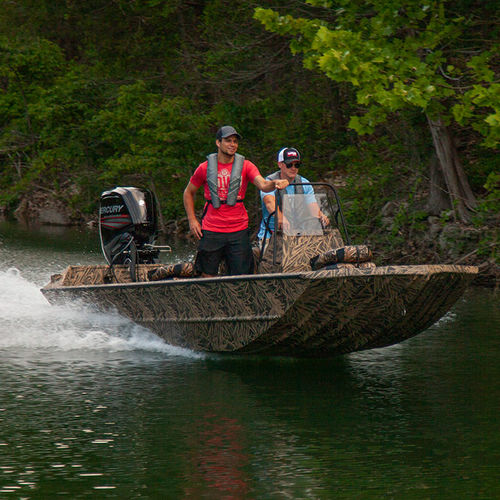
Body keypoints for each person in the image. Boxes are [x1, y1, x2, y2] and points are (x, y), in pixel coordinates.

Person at [183, 126, 289, 277]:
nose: (232, 144)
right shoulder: (204, 168)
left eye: (235, 141)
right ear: (218, 143)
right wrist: (192, 219)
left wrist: (275, 183)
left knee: (241, 276)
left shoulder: (246, 166)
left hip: (238, 229)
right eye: (228, 141)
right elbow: (188, 192)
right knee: (207, 275)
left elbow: (263, 185)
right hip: (212, 228)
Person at [257, 147, 329, 240]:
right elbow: (269, 202)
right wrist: (281, 218)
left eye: (297, 165)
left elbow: (313, 207)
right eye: (289, 164)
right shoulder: (269, 182)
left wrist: (321, 216)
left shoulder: (304, 183)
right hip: (272, 236)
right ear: (280, 164)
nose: (293, 168)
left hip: (298, 235)